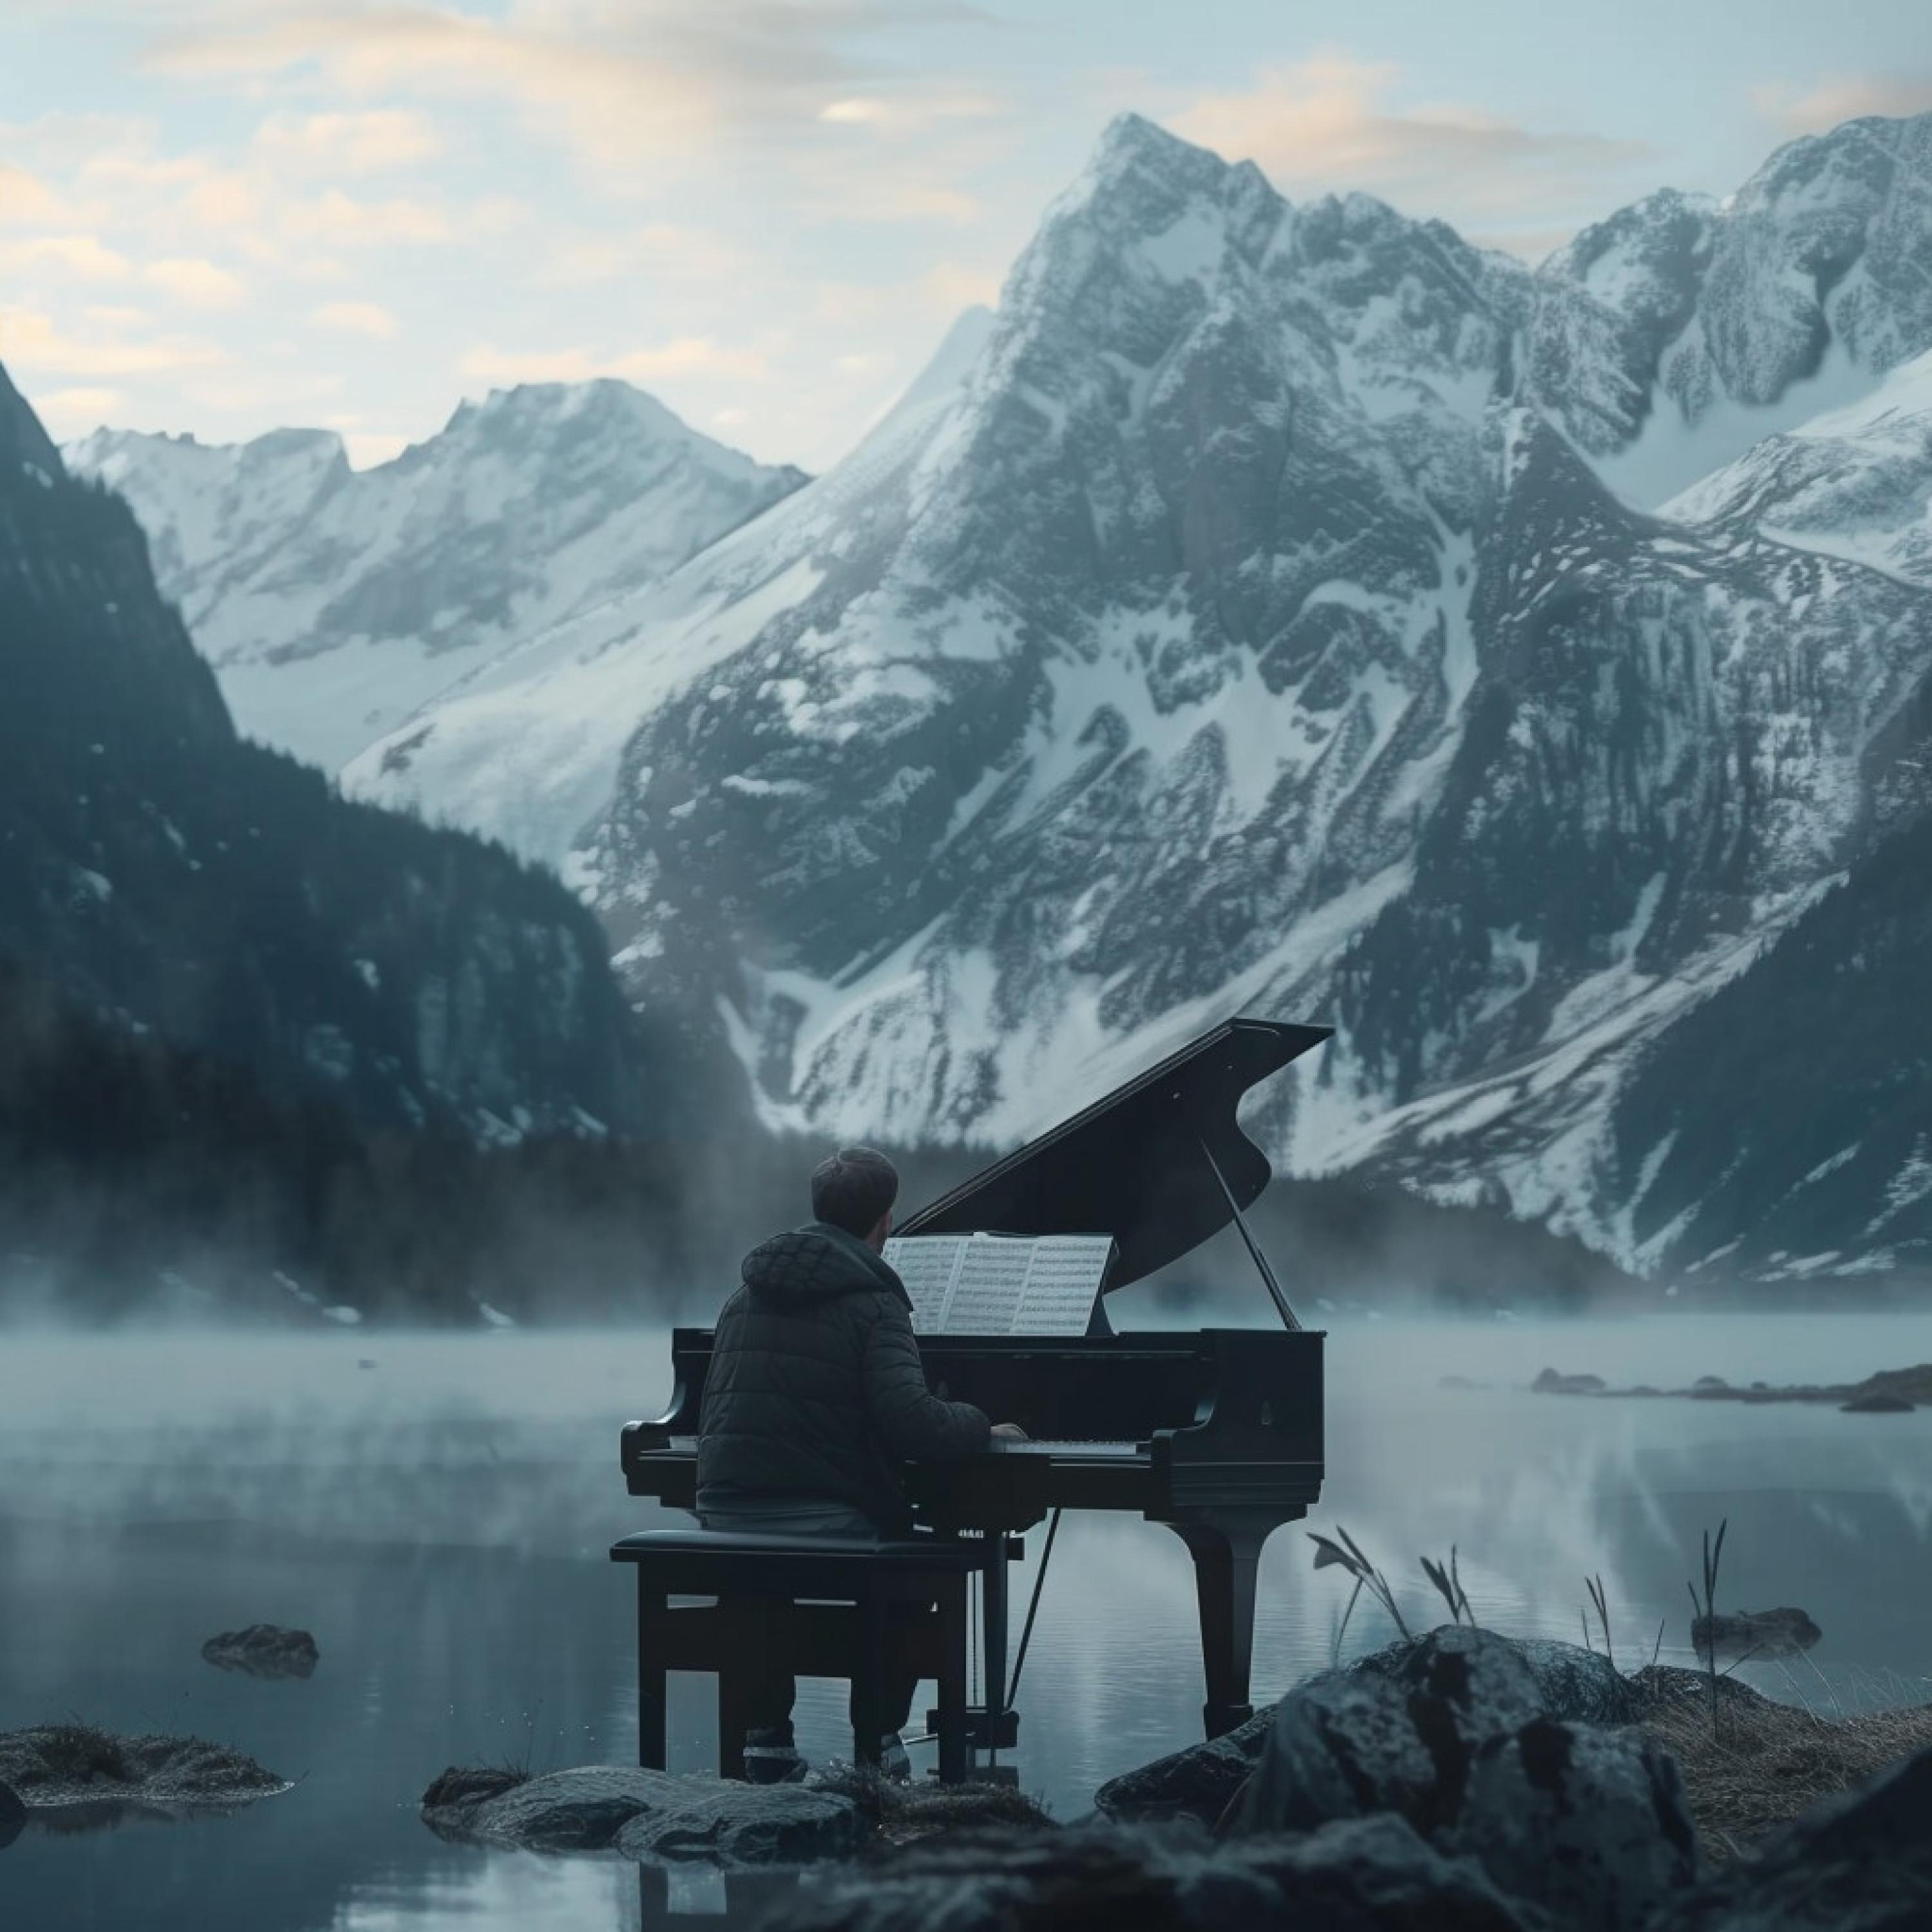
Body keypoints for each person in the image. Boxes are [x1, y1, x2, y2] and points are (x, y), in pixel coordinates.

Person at [696, 1145, 1024, 1782]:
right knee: (918, 1570)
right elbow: (914, 1425)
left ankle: (767, 1739)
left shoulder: (743, 1297)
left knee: (772, 1580)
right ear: (885, 1223)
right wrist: (985, 1423)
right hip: (819, 1517)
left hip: (726, 1510)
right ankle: (878, 1743)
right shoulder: (874, 1303)